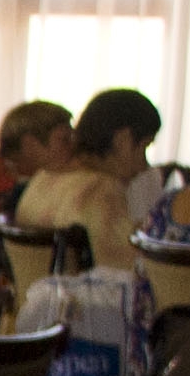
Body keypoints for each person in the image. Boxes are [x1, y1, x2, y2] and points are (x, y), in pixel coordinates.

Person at [15, 87, 158, 272]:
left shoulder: (43, 178)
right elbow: (130, 270)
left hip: (33, 289)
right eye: (144, 147)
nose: (144, 166)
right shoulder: (102, 190)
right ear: (122, 140)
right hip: (70, 291)